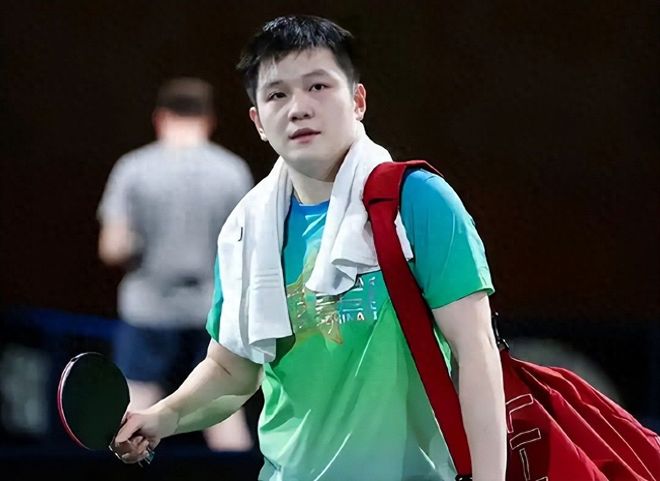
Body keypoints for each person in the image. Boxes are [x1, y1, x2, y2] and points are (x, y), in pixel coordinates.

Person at [113, 16, 507, 480]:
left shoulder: (417, 200)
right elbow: (231, 369)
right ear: (258, 122)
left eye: (318, 86)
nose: (298, 108)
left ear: (357, 100)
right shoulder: (246, 229)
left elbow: (475, 351)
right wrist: (165, 415)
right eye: (277, 95)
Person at [97, 77, 255, 452]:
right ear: (209, 120)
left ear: (160, 118)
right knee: (222, 413)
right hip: (212, 312)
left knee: (134, 417)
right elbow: (251, 247)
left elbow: (112, 248)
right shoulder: (232, 171)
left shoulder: (133, 168)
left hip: (148, 311)